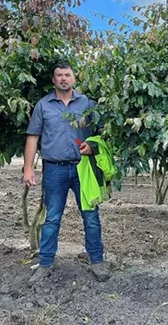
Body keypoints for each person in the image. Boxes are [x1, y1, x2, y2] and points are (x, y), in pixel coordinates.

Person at [23, 62, 111, 284]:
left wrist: (93, 147)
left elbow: (102, 134)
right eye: (59, 75)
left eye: (67, 75)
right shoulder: (43, 106)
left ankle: (97, 261)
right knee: (52, 218)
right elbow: (33, 137)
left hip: (83, 170)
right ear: (54, 80)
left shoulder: (88, 104)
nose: (63, 78)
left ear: (74, 79)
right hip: (54, 170)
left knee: (91, 216)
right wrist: (28, 167)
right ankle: (45, 264)